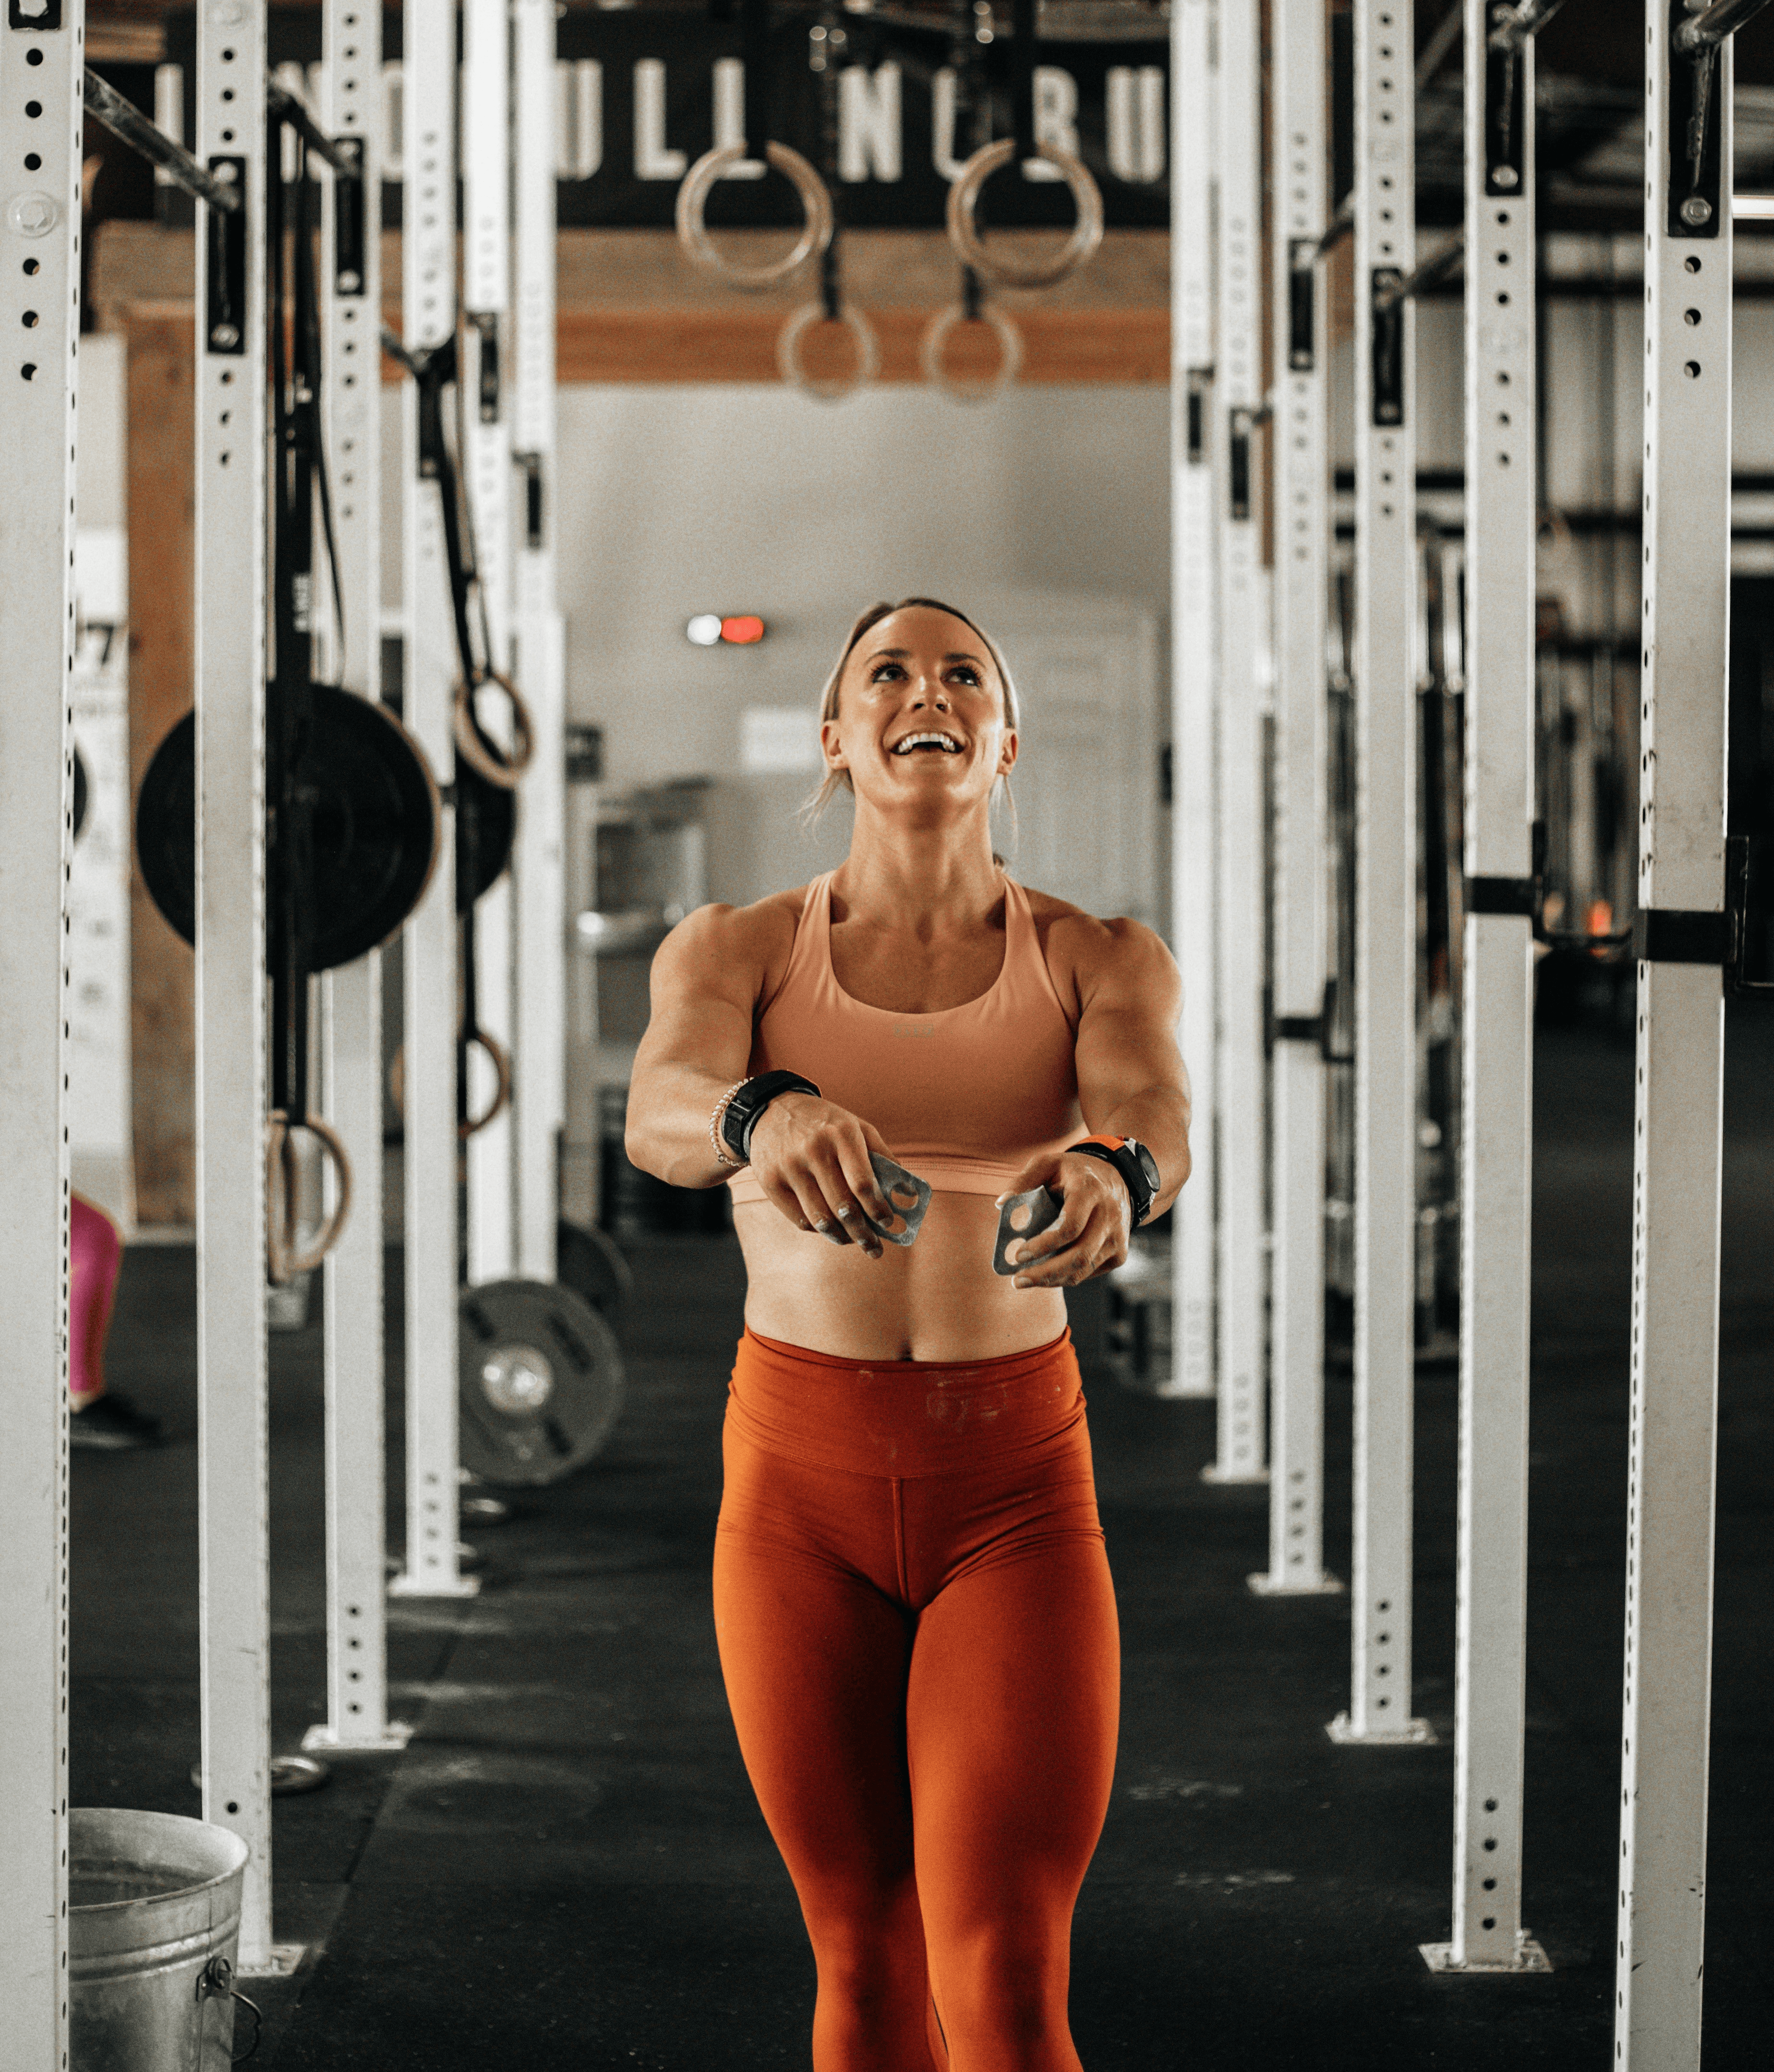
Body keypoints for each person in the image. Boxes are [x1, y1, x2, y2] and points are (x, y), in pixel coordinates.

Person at [627, 598, 1190, 2072]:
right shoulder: (735, 949)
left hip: (1010, 1496)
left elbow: (1155, 1110)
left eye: (961, 676)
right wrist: (766, 1107)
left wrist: (1110, 1170)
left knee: (1001, 1969)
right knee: (864, 1955)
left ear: (1003, 740)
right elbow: (659, 1114)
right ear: (835, 738)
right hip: (794, 1497)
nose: (922, 691)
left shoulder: (1097, 954)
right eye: (886, 671)